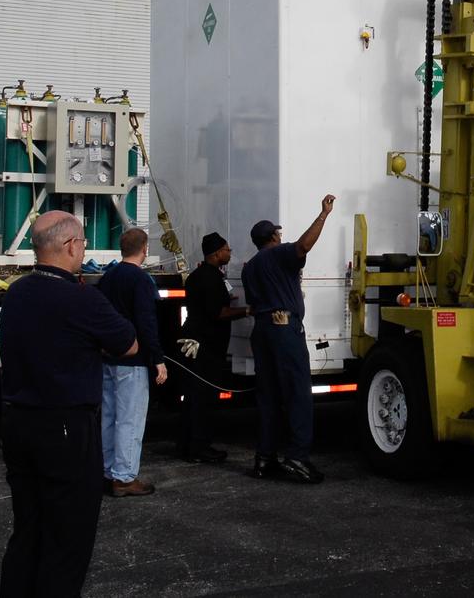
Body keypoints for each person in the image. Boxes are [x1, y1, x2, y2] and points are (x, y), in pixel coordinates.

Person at [0, 211, 137, 598]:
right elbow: (128, 342)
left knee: (28, 529)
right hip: (64, 427)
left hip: (19, 423)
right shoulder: (82, 298)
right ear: (72, 246)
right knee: (67, 537)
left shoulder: (17, 294)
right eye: (83, 243)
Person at [242, 194, 336, 484]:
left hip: (262, 330)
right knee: (297, 394)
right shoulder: (279, 253)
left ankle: (265, 457)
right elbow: (304, 246)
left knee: (268, 396)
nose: (281, 235)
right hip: (284, 329)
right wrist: (323, 215)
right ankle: (297, 458)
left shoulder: (249, 267)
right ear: (273, 236)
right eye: (279, 232)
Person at [97, 227, 167, 497]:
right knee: (131, 418)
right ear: (145, 249)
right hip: (133, 360)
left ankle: (107, 471)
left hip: (108, 357)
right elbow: (146, 322)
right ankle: (124, 478)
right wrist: (158, 359)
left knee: (110, 416)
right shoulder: (141, 280)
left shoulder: (109, 276)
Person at [176, 231, 245, 464]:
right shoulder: (211, 278)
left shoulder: (198, 275)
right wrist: (247, 310)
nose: (229, 253)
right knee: (203, 397)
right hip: (205, 347)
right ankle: (199, 447)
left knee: (192, 395)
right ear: (216, 254)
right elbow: (219, 313)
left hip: (194, 342)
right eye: (227, 250)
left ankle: (186, 443)